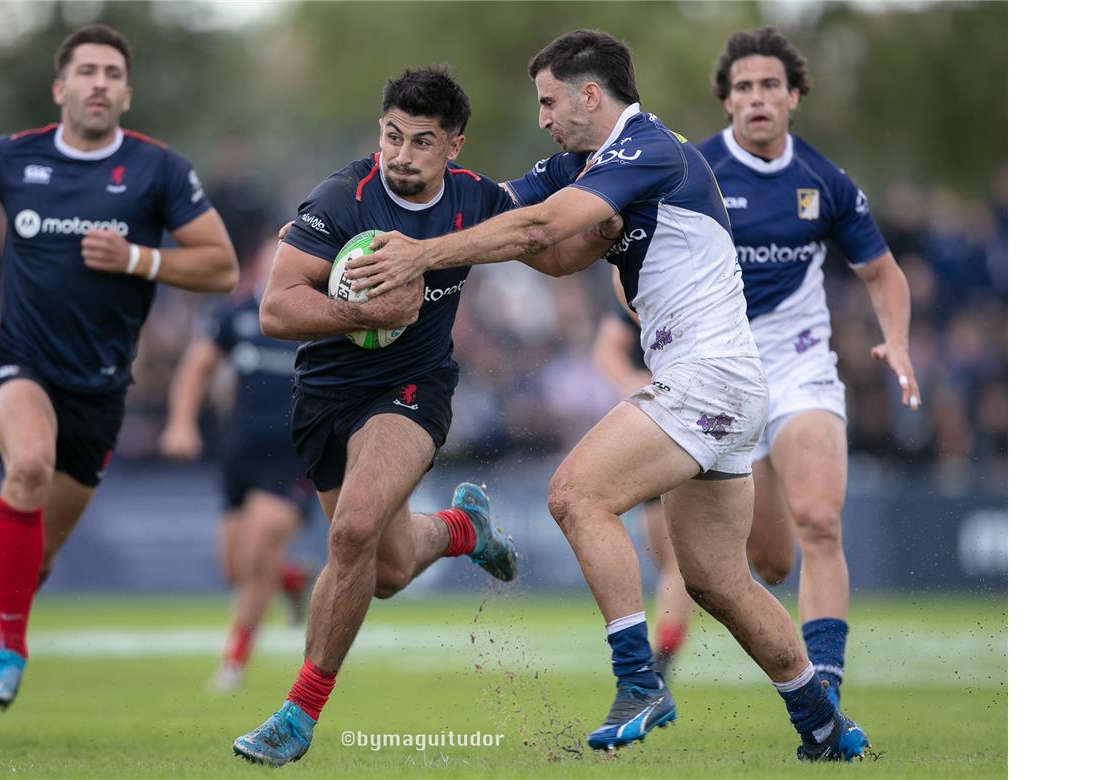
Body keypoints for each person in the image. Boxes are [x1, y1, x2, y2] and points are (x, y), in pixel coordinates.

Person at [353, 29, 870, 761]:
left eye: (548, 101)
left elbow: (536, 226)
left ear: (589, 95)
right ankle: (824, 724)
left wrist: (422, 256)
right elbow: (517, 223)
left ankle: (639, 681)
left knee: (575, 495)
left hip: (708, 379)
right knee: (719, 584)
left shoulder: (648, 148)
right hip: (720, 386)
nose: (542, 118)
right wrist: (382, 204)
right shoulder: (583, 163)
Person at [231, 65, 618, 766]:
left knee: (350, 532)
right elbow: (275, 306)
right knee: (383, 568)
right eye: (392, 136)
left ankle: (297, 713)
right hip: (324, 394)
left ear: (454, 148)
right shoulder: (340, 198)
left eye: (421, 142)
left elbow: (548, 252)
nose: (401, 155)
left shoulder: (475, 200)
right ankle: (464, 527)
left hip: (413, 389)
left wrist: (609, 229)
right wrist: (367, 311)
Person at [0, 24, 238, 736]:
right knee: (25, 465)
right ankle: (12, 654)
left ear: (126, 93)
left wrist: (139, 260)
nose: (98, 82)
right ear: (60, 88)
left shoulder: (158, 170)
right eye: (85, 70)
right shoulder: (10, 158)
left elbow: (222, 267)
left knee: (40, 560)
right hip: (19, 363)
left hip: (100, 389)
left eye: (112, 72)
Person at [697, 27, 920, 708]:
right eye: (744, 88)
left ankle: (825, 690)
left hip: (801, 370)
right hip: (723, 381)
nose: (757, 98)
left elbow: (882, 274)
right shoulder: (692, 172)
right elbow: (633, 252)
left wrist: (899, 342)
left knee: (821, 519)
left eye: (770, 86)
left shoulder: (824, 180)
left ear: (793, 98)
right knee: (770, 561)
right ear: (728, 102)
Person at [159, 239, 316, 692]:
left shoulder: (320, 317)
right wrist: (181, 423)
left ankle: (234, 663)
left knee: (259, 547)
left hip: (293, 456)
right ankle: (288, 578)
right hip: (241, 452)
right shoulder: (238, 315)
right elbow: (196, 367)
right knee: (236, 567)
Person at [589, 269, 696, 679]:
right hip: (654, 424)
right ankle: (662, 656)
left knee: (687, 561)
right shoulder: (636, 291)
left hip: (697, 420)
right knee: (672, 560)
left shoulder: (698, 289)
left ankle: (660, 660)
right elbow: (607, 351)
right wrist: (634, 383)